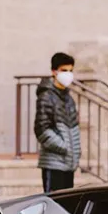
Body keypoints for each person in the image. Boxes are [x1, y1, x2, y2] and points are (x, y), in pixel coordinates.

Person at [34, 52, 81, 192]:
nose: (68, 74)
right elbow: (41, 129)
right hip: (53, 163)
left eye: (71, 71)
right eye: (64, 70)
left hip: (68, 164)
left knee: (66, 208)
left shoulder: (68, 99)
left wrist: (75, 152)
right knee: (54, 206)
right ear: (54, 72)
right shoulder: (46, 97)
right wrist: (65, 146)